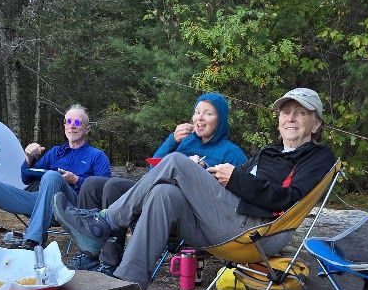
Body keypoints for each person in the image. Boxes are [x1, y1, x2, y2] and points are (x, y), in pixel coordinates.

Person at [54, 87, 335, 290]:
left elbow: (289, 199)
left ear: (316, 124)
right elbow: (236, 185)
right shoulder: (268, 152)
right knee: (163, 194)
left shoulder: (317, 156)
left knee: (176, 162)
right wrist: (210, 175)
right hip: (228, 222)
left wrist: (234, 178)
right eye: (286, 112)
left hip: (260, 230)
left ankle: (103, 222)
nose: (291, 118)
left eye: (301, 113)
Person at [71, 92, 247, 273]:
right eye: (197, 112)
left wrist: (203, 170)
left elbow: (234, 196)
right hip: (155, 192)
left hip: (183, 209)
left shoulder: (232, 152)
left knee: (152, 187)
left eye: (208, 113)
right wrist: (172, 140)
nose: (200, 118)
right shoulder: (185, 142)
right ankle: (100, 258)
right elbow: (154, 169)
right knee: (105, 185)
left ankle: (106, 244)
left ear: (220, 120)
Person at [0, 103, 112, 252]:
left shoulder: (96, 156)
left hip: (73, 206)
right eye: (68, 121)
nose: (72, 126)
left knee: (52, 176)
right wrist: (29, 157)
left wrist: (76, 180)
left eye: (77, 122)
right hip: (41, 203)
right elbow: (26, 177)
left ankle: (33, 241)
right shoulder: (55, 152)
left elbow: (105, 188)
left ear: (87, 128)